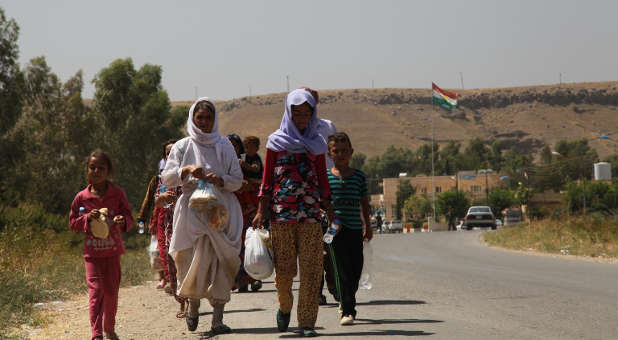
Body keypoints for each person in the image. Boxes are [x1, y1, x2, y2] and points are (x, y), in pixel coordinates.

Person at [253, 88, 335, 337]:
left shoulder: (318, 144)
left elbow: (322, 178)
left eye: (306, 113)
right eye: (296, 113)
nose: (301, 118)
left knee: (312, 269)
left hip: (310, 215)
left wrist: (330, 209)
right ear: (288, 113)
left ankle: (307, 322)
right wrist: (260, 210)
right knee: (286, 270)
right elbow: (267, 180)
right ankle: (285, 306)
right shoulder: (275, 142)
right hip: (281, 216)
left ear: (313, 114)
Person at [161, 98, 243, 335]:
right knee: (190, 260)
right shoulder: (183, 146)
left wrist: (220, 180)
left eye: (208, 118)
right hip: (191, 213)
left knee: (220, 263)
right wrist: (186, 171)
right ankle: (193, 306)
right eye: (200, 118)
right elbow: (167, 178)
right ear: (193, 119)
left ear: (214, 119)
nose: (204, 122)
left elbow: (236, 180)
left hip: (220, 212)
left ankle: (218, 320)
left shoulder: (224, 145)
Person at [69, 150, 133, 340]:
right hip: (92, 255)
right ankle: (96, 334)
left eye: (101, 168)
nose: (96, 171)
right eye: (92, 167)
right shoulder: (82, 197)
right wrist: (87, 218)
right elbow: (73, 223)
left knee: (111, 292)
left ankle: (109, 328)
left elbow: (129, 216)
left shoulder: (117, 194)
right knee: (96, 292)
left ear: (108, 172)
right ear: (87, 169)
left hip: (113, 252)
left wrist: (123, 221)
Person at [326, 132, 373, 325]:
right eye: (336, 151)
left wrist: (368, 226)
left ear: (351, 152)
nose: (341, 155)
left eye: (344, 151)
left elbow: (364, 203)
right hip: (335, 232)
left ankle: (346, 298)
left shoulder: (359, 176)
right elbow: (323, 202)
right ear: (329, 154)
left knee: (355, 270)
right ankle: (348, 310)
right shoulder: (326, 178)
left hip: (355, 230)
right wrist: (329, 216)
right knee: (342, 270)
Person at [226, 133, 262, 293]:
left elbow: (259, 180)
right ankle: (235, 279)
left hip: (248, 208)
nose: (232, 148)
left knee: (249, 243)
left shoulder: (246, 162)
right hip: (229, 208)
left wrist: (246, 185)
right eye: (228, 144)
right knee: (232, 245)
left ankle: (252, 277)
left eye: (235, 145)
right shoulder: (221, 163)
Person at [137, 149, 167, 289]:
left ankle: (173, 277)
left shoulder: (181, 176)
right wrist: (142, 218)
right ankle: (163, 277)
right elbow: (148, 200)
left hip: (176, 218)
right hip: (158, 219)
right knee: (158, 249)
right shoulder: (156, 181)